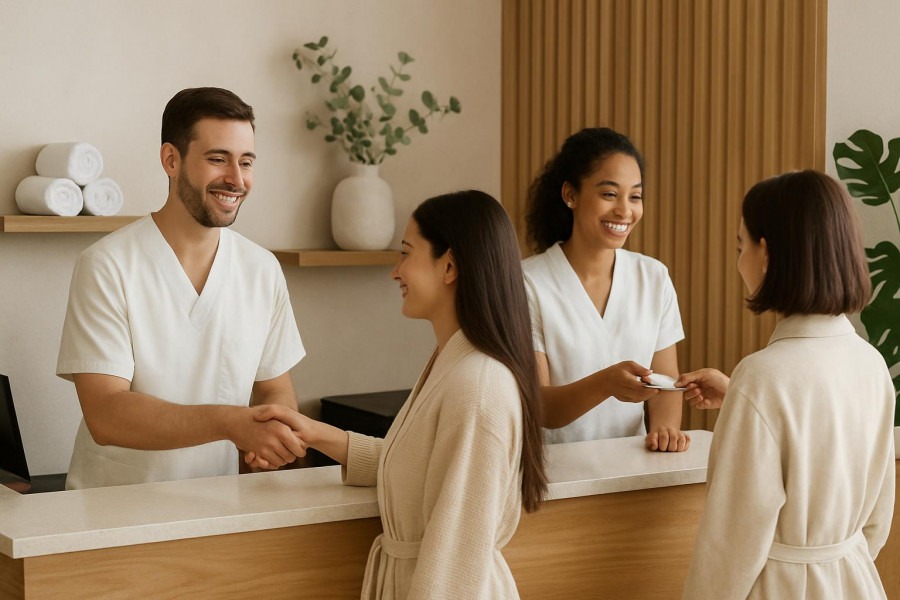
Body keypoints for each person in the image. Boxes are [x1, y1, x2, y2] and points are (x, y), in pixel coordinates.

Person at [249, 190, 547, 599]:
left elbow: (456, 563)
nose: (396, 271)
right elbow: (413, 469)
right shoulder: (454, 364)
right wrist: (313, 433)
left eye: (407, 253)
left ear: (450, 266)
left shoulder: (477, 387)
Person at [56, 87, 307, 489]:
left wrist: (271, 434)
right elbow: (106, 413)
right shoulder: (107, 265)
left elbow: (275, 388)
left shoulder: (262, 270)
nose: (237, 179)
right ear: (171, 160)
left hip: (223, 508)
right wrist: (231, 423)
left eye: (246, 162)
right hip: (113, 519)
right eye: (218, 159)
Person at [679, 170, 896, 598]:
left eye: (741, 245)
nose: (739, 259)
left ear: (767, 254)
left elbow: (730, 546)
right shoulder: (870, 363)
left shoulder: (762, 377)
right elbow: (878, 519)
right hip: (855, 580)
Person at [522, 127, 689, 451]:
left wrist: (665, 432)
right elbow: (539, 405)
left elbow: (667, 383)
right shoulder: (527, 282)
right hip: (553, 479)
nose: (625, 211)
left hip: (634, 471)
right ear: (570, 194)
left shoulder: (653, 277)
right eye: (609, 194)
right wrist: (605, 384)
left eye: (635, 196)